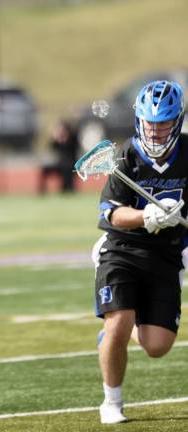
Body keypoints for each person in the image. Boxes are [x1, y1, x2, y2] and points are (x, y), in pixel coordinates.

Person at [92, 80, 186, 424]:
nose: (156, 130)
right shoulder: (125, 156)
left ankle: (125, 321)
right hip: (122, 249)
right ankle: (111, 402)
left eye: (163, 122)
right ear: (139, 120)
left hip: (166, 255)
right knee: (119, 322)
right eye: (150, 121)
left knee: (157, 346)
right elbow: (110, 213)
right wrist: (147, 215)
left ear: (177, 121)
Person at [38, 119, 80, 194]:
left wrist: (65, 139)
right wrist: (56, 139)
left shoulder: (73, 138)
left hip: (71, 163)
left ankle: (67, 189)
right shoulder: (58, 140)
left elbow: (72, 149)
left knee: (66, 167)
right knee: (45, 168)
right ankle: (42, 190)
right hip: (60, 163)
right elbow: (52, 148)